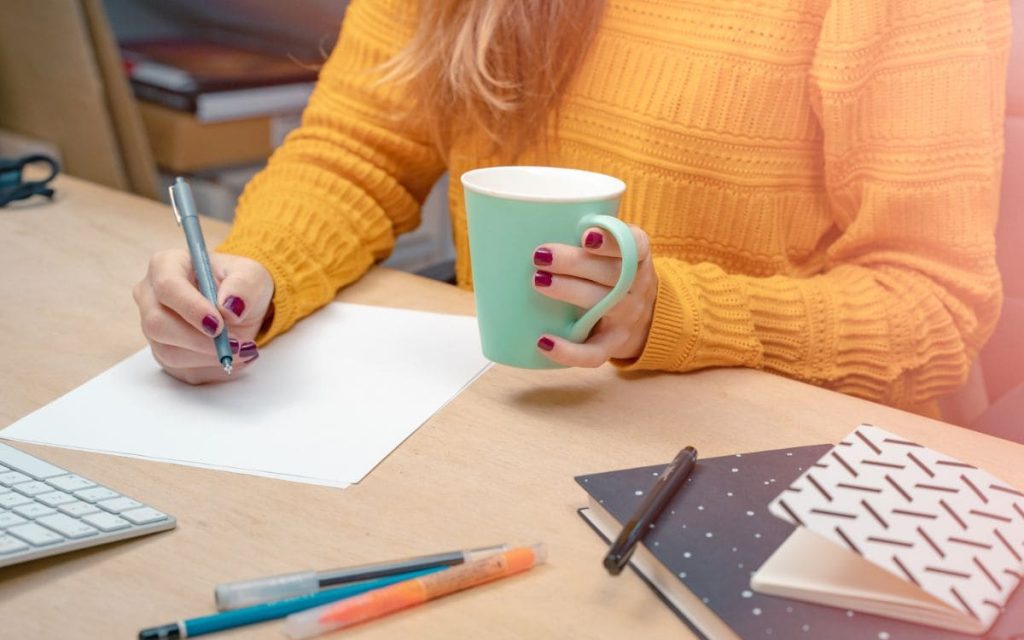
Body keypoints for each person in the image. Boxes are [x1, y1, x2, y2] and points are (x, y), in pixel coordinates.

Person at [132, 0, 1012, 418]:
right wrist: (256, 272)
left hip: (777, 469)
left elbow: (933, 309)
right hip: (522, 432)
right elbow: (357, 149)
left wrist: (672, 315)